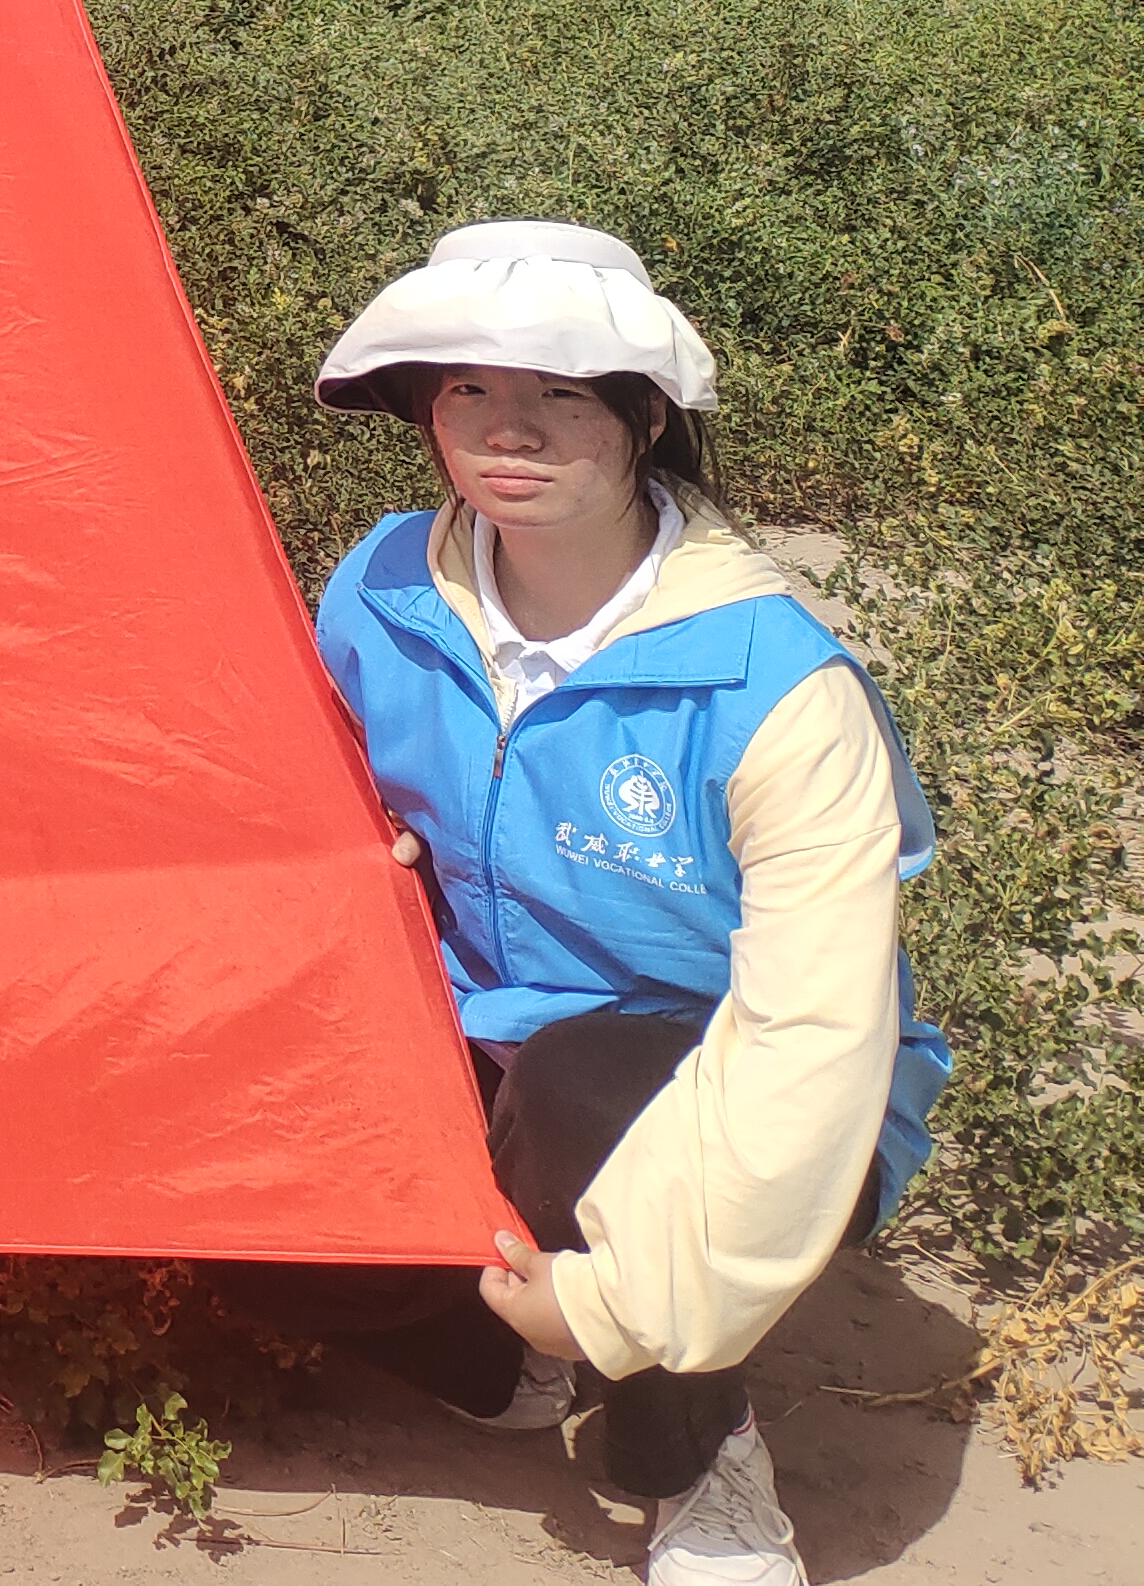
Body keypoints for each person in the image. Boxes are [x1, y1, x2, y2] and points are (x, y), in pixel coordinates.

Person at [229, 224, 950, 1586]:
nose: (509, 431)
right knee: (223, 1118)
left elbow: (813, 1040)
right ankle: (505, 1364)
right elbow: (309, 814)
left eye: (560, 394)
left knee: (585, 1085)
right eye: (468, 390)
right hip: (479, 1033)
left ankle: (697, 1460)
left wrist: (618, 1300)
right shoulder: (384, 585)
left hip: (729, 1083)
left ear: (646, 416)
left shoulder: (777, 688)